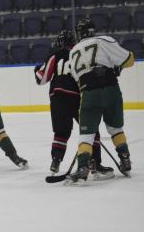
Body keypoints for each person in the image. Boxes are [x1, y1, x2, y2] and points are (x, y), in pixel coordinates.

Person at [34, 30, 113, 179]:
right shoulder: (80, 53)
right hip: (78, 97)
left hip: (58, 96)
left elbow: (41, 79)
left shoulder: (55, 54)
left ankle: (56, 160)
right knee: (90, 130)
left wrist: (37, 69)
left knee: (61, 132)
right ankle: (95, 162)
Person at [66, 19, 134, 184]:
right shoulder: (104, 40)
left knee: (86, 135)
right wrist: (116, 67)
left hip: (88, 93)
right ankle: (125, 158)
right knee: (115, 128)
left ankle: (83, 167)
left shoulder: (73, 51)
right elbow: (129, 60)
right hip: (111, 90)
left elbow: (77, 78)